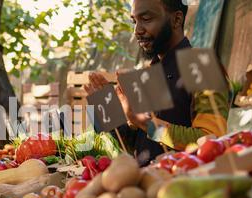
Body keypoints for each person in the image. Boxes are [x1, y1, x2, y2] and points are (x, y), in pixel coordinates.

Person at [84, 0, 231, 166]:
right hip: (148, 183)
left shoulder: (203, 67)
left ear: (176, 20)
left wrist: (146, 123)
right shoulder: (150, 72)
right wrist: (111, 113)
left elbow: (212, 140)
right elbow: (142, 148)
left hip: (183, 185)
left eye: (146, 19)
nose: (137, 30)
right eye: (134, 21)